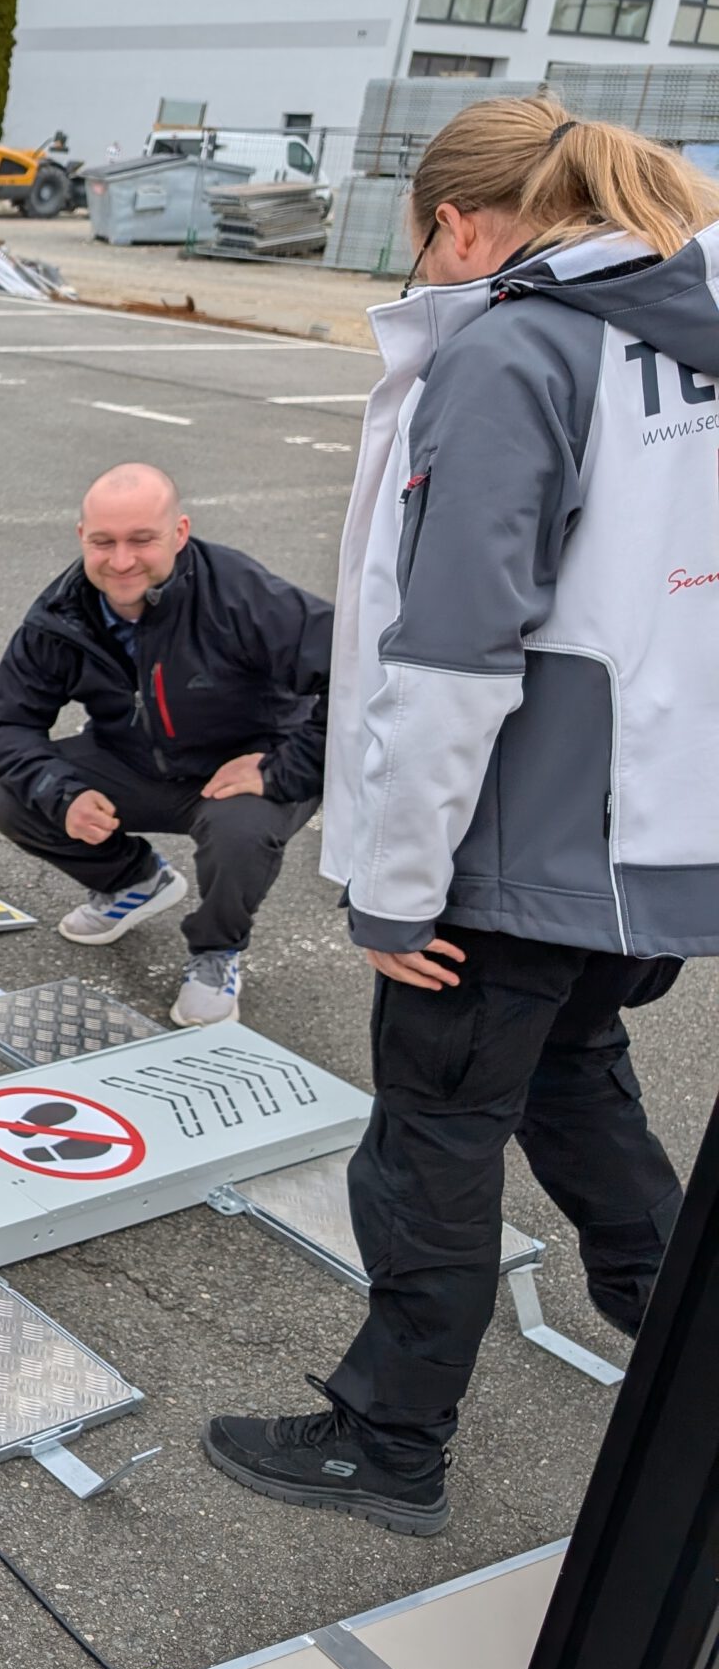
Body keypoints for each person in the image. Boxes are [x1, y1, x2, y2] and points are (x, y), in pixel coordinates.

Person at [205, 98, 719, 1537]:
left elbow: (454, 648)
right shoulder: (678, 336)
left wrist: (399, 885)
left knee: (432, 1140)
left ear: (458, 224)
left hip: (512, 850)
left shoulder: (517, 343)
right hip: (650, 844)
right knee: (577, 1083)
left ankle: (388, 1442)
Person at [0, 464, 332, 1025]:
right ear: (81, 538)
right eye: (104, 542)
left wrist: (285, 768)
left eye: (142, 539)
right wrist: (64, 795)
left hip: (244, 768)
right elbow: (5, 722)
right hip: (136, 761)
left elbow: (357, 673)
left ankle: (216, 953)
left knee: (241, 833)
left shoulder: (240, 594)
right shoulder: (63, 615)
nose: (121, 560)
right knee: (14, 799)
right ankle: (134, 880)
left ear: (180, 532)